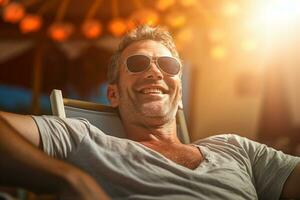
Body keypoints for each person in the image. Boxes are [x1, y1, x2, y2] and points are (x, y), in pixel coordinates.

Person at [0, 25, 300, 200]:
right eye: (138, 64)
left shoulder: (237, 149)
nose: (155, 72)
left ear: (179, 94)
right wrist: (68, 178)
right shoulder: (82, 138)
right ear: (113, 94)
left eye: (167, 66)